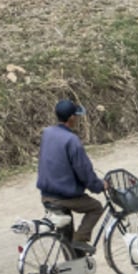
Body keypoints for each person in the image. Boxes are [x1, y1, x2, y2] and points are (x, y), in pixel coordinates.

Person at [35, 99, 105, 255]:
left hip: (46, 195)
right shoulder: (72, 140)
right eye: (76, 116)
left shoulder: (47, 133)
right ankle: (81, 239)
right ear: (72, 118)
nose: (77, 119)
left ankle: (74, 272)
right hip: (63, 196)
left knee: (66, 235)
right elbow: (84, 171)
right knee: (96, 207)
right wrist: (99, 185)